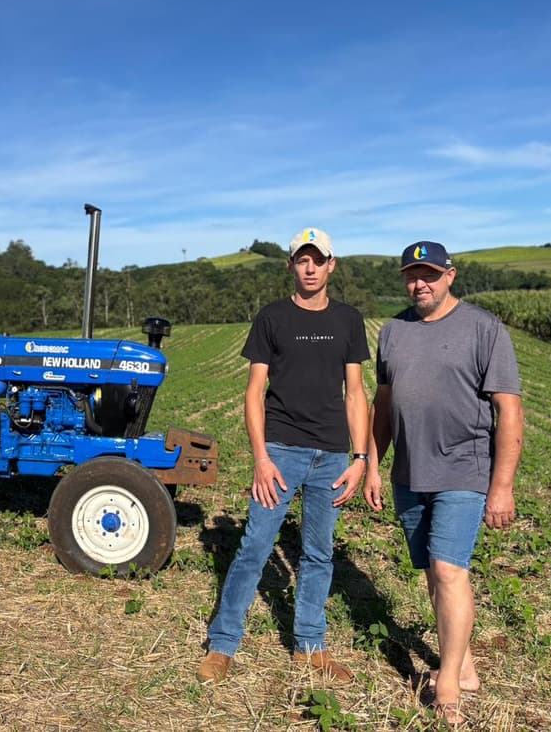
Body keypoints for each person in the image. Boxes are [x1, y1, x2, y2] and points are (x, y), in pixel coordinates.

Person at [197, 228, 370, 685]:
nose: (310, 268)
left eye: (319, 260)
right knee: (255, 546)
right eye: (302, 260)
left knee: (317, 553)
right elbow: (254, 392)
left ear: (332, 265)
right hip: (281, 451)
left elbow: (356, 393)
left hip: (333, 456)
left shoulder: (349, 320)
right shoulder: (272, 318)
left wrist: (361, 458)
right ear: (291, 266)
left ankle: (310, 646)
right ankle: (223, 644)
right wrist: (260, 457)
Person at [363, 240, 523, 725]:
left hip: (464, 468)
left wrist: (502, 486)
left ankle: (448, 683)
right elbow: (383, 406)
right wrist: (372, 464)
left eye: (429, 274)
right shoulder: (392, 331)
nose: (420, 283)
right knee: (433, 573)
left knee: (449, 570)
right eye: (412, 275)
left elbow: (509, 411)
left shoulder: (483, 328)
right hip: (410, 472)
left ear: (449, 275)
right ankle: (467, 665)